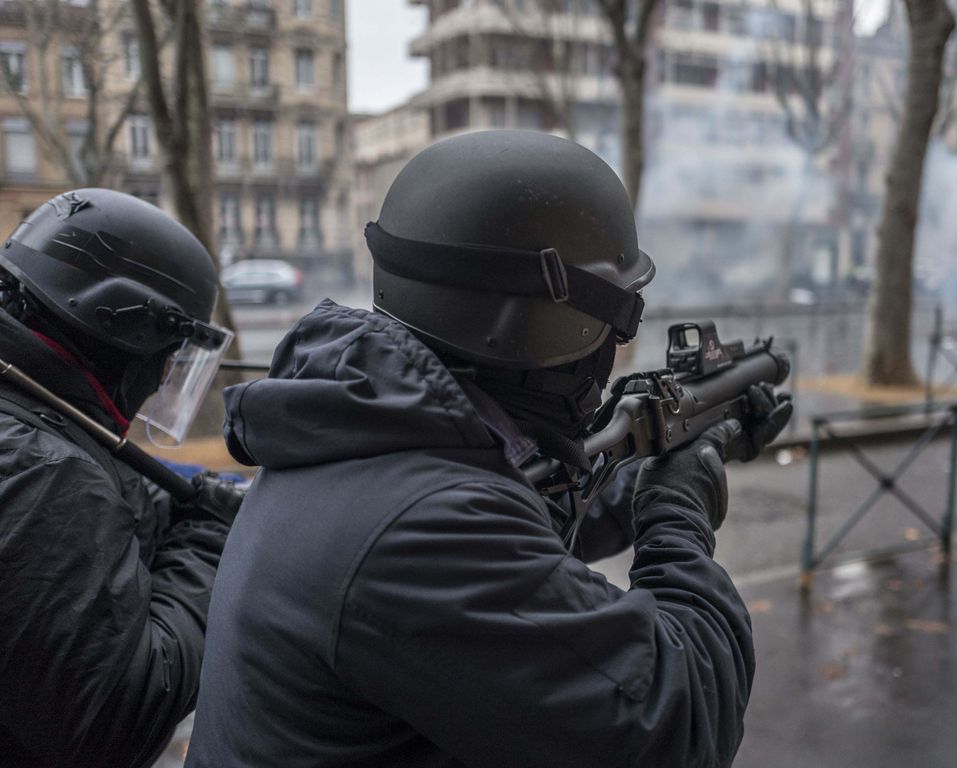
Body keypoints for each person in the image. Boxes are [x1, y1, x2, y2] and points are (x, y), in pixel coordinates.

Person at [185, 130, 790, 768]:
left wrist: (654, 462)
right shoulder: (421, 527)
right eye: (621, 316)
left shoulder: (357, 430)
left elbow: (526, 527)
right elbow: (681, 719)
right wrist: (678, 510)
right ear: (562, 321)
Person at [0, 189, 243, 767]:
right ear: (126, 332)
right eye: (169, 356)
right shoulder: (42, 470)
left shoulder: (32, 419)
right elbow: (114, 722)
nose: (163, 381)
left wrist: (185, 499)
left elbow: (95, 509)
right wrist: (211, 539)